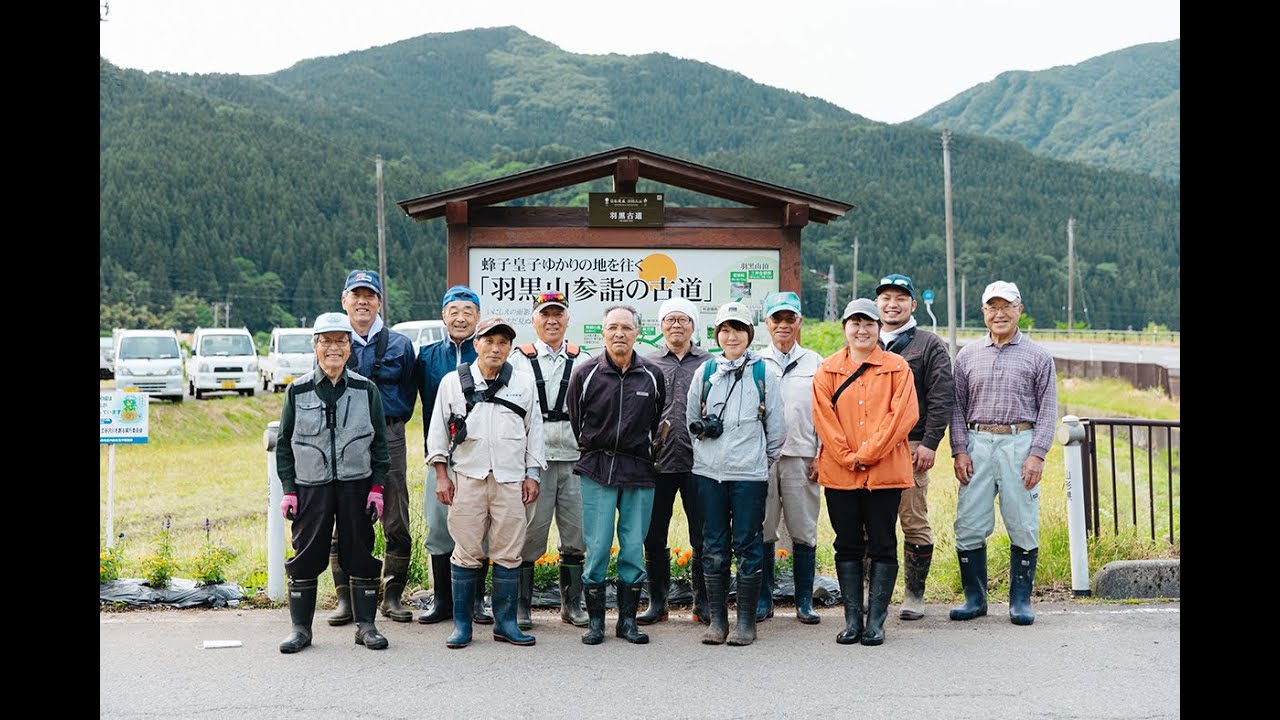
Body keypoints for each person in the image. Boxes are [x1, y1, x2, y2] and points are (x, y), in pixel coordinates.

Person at [425, 316, 545, 648]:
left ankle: (506, 624)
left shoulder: (523, 383)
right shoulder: (452, 382)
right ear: (476, 344)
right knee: (465, 550)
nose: (495, 348)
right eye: (489, 341)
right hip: (468, 478)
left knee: (509, 551)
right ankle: (462, 625)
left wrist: (533, 474)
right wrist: (441, 475)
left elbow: (534, 431)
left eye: (503, 343)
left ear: (510, 348)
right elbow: (438, 430)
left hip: (510, 479)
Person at [276, 312, 391, 653]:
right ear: (315, 346)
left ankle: (366, 626)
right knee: (306, 555)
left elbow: (380, 444)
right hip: (311, 486)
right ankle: (300, 630)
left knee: (360, 552)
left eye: (341, 341)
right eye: (326, 341)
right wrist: (289, 490)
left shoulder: (365, 389)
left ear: (350, 347)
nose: (333, 348)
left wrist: (377, 487)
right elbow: (284, 444)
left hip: (356, 484)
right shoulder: (297, 390)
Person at [949, 281, 1057, 626]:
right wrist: (959, 450)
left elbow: (1048, 410)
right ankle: (975, 598)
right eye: (992, 307)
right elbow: (956, 407)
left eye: (1006, 306)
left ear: (1019, 310)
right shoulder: (967, 355)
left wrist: (1037, 454)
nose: (999, 314)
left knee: (1022, 522)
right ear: (983, 312)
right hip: (977, 442)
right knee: (969, 522)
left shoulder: (1039, 356)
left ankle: (1020, 601)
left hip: (1019, 442)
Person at [812, 298, 918, 646]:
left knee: (884, 543)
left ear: (878, 328)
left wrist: (867, 454)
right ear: (845, 328)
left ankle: (876, 622)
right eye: (855, 323)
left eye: (869, 324)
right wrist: (847, 456)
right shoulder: (827, 369)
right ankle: (852, 620)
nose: (862, 330)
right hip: (840, 473)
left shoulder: (897, 368)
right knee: (847, 544)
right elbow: (823, 418)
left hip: (884, 471)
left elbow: (903, 416)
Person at [322, 269, 420, 626]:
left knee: (396, 515)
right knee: (343, 514)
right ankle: (346, 599)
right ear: (344, 300)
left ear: (380, 301)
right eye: (356, 295)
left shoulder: (401, 345)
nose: (362, 302)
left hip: (389, 435)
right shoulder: (334, 343)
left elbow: (409, 392)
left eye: (370, 295)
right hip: (344, 438)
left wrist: (388, 422)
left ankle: (392, 596)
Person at [687, 301, 785, 646]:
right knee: (713, 544)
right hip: (709, 474)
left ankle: (746, 623)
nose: (732, 337)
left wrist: (758, 461)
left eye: (738, 330)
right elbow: (691, 420)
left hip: (749, 475)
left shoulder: (763, 373)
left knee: (748, 543)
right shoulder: (705, 372)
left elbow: (776, 428)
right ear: (717, 335)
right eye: (725, 330)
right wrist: (706, 454)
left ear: (749, 334)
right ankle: (717, 622)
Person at [566, 305, 666, 646]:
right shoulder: (585, 373)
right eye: (612, 327)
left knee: (633, 548)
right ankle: (596, 623)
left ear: (638, 332)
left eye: (626, 327)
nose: (619, 333)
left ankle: (627, 622)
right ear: (603, 332)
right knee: (596, 547)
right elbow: (577, 420)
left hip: (639, 469)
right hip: (597, 469)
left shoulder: (652, 375)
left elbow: (656, 420)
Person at [507, 290, 591, 629]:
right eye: (545, 314)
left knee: (576, 534)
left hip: (574, 459)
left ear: (568, 320)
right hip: (535, 461)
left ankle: (572, 605)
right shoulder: (518, 360)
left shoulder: (584, 359)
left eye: (558, 314)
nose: (552, 320)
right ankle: (521, 606)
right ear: (534, 320)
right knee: (529, 534)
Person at [873, 273, 954, 620]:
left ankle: (914, 595)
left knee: (913, 519)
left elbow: (941, 396)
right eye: (886, 298)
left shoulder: (929, 344)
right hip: (870, 448)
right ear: (877, 303)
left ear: (913, 305)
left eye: (900, 298)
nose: (892, 305)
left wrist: (931, 443)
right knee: (871, 523)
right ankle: (873, 594)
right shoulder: (866, 339)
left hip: (912, 444)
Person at [416, 285, 493, 626]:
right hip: (440, 457)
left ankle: (476, 602)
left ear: (478, 317)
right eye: (454, 311)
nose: (461, 318)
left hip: (480, 457)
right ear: (443, 316)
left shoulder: (488, 353)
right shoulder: (427, 356)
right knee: (438, 528)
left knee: (480, 528)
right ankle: (442, 600)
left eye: (468, 312)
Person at [639, 297, 713, 626]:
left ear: (693, 325)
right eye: (670, 320)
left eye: (683, 319)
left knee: (704, 534)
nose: (676, 325)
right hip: (657, 463)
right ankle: (658, 604)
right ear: (661, 326)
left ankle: (703, 603)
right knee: (654, 534)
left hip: (701, 462)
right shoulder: (647, 362)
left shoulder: (710, 363)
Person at [756, 291, 824, 624]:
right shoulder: (755, 362)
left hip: (803, 457)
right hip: (762, 460)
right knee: (763, 528)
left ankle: (804, 602)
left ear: (799, 321)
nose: (783, 325)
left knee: (804, 529)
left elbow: (826, 413)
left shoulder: (816, 362)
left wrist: (822, 454)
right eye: (777, 318)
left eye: (789, 318)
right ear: (766, 323)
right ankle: (763, 600)